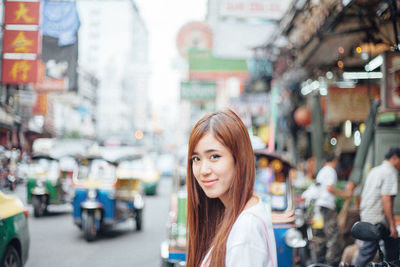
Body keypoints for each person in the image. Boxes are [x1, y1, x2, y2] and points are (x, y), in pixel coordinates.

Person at [186, 109, 277, 267]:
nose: (203, 170)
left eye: (214, 156)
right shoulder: (238, 215)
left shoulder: (245, 230)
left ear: (239, 159)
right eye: (196, 158)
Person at [355, 147, 400, 267]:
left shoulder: (375, 170)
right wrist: (392, 225)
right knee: (367, 251)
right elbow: (386, 199)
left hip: (368, 215)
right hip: (377, 219)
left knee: (393, 244)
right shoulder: (390, 172)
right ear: (395, 158)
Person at [312, 153, 350, 266]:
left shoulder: (322, 171)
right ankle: (331, 262)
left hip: (318, 206)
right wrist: (343, 194)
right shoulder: (330, 171)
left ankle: (320, 261)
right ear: (334, 161)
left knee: (320, 235)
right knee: (333, 235)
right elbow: (329, 188)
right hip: (327, 206)